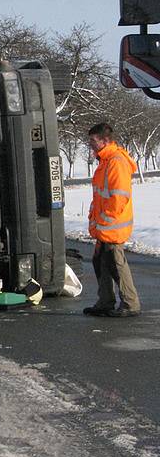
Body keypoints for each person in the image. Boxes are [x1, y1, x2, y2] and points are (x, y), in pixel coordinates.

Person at [84, 122, 141, 318]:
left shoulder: (116, 161)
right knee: (100, 261)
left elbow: (118, 197)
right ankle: (105, 301)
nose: (90, 144)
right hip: (105, 224)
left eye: (93, 140)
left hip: (112, 225)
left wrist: (105, 221)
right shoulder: (106, 161)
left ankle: (130, 303)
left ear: (105, 140)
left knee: (116, 263)